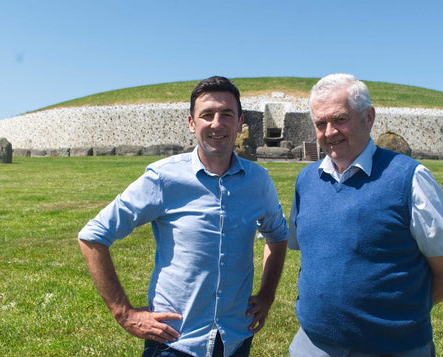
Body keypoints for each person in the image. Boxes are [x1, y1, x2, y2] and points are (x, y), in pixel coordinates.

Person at [78, 76, 288, 357]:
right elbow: (93, 236)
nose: (217, 123)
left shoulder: (258, 181)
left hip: (235, 339)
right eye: (207, 115)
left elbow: (278, 235)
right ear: (192, 123)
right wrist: (123, 312)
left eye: (227, 115)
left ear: (240, 123)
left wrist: (267, 296)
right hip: (175, 341)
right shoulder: (163, 178)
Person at [287, 73, 443, 357]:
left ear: (368, 118)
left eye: (340, 119)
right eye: (320, 124)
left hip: (393, 348)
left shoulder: (410, 178)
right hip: (312, 345)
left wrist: (392, 321)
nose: (330, 131)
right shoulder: (306, 180)